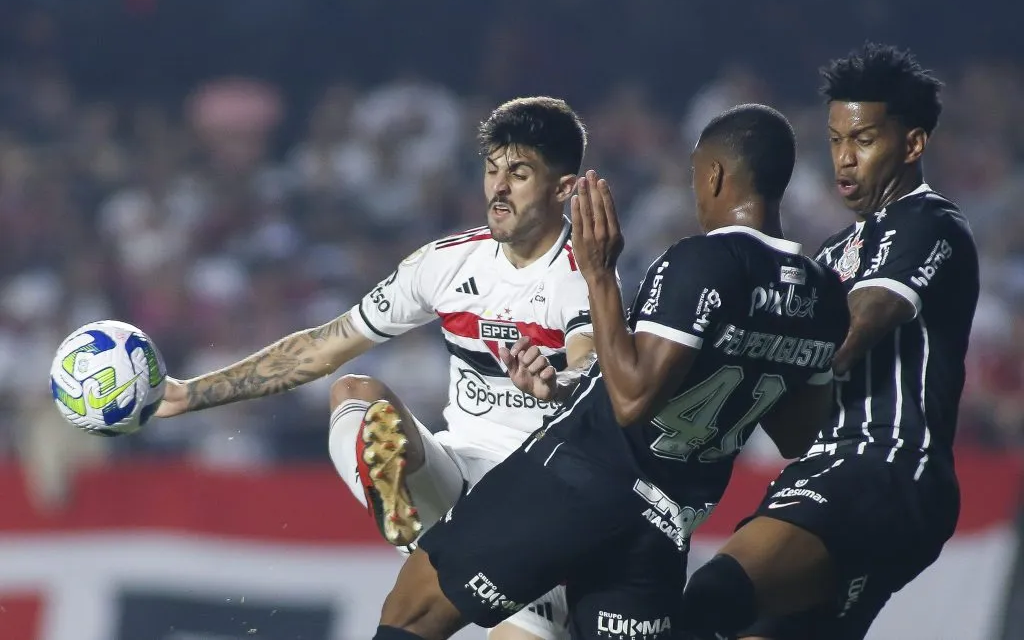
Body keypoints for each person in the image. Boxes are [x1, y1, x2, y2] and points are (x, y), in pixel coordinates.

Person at [369, 103, 850, 640]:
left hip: (578, 480)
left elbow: (630, 399)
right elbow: (798, 435)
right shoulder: (825, 295)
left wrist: (599, 273)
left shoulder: (701, 261)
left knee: (414, 610)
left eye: (695, 173)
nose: (694, 191)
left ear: (715, 174)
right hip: (667, 517)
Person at [154, 96, 600, 640]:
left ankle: (419, 524)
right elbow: (323, 346)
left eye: (520, 173)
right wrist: (187, 394)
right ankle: (394, 500)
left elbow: (592, 367)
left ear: (562, 188)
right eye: (492, 170)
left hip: (537, 505)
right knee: (357, 392)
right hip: (454, 479)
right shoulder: (446, 263)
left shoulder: (583, 275)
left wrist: (557, 388)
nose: (499, 188)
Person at [678, 43, 980, 640]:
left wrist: (752, 346)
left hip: (885, 466)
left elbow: (859, 324)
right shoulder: (831, 253)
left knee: (712, 597)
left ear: (913, 144)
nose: (845, 158)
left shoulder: (930, 222)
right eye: (837, 140)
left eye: (863, 140)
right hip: (825, 469)